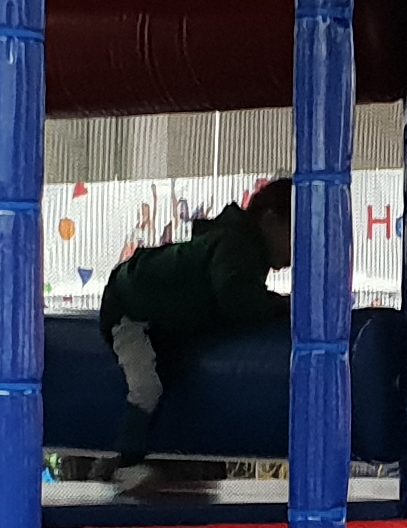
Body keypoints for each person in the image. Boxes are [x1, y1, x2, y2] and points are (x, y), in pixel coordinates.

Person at [97, 182, 290, 476]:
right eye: (294, 236)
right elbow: (235, 298)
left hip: (150, 308)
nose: (297, 251)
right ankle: (125, 461)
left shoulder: (239, 245)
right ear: (270, 220)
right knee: (146, 387)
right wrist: (284, 306)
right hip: (128, 310)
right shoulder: (237, 245)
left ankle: (131, 460)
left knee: (166, 377)